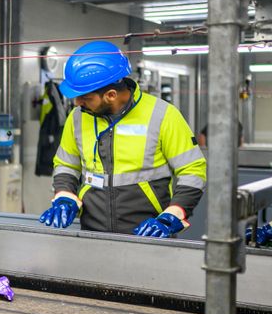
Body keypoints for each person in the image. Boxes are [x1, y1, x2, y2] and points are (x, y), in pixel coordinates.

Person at [39, 40, 207, 238]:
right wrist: (64, 195)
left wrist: (173, 214)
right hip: (92, 233)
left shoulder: (163, 115)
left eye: (85, 97)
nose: (77, 102)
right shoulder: (77, 117)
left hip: (149, 233)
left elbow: (192, 169)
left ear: (110, 95)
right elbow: (66, 164)